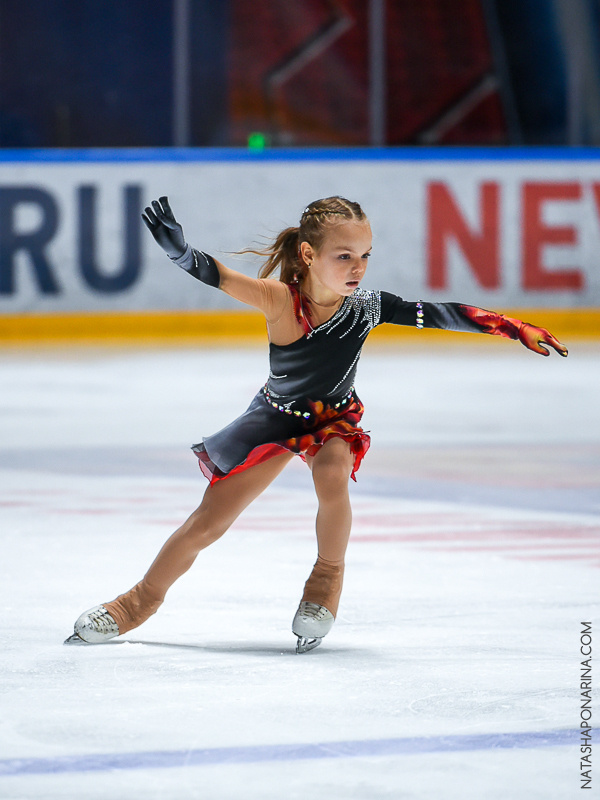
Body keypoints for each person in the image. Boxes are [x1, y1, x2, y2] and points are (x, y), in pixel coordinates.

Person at [65, 196, 568, 653]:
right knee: (209, 522)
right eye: (344, 256)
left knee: (332, 479)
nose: (358, 268)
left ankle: (325, 583)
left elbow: (442, 313)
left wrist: (512, 326)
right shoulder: (280, 299)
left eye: (366, 255)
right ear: (307, 255)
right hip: (275, 420)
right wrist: (180, 253)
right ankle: (138, 602)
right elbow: (219, 276)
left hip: (334, 420)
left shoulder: (369, 307)